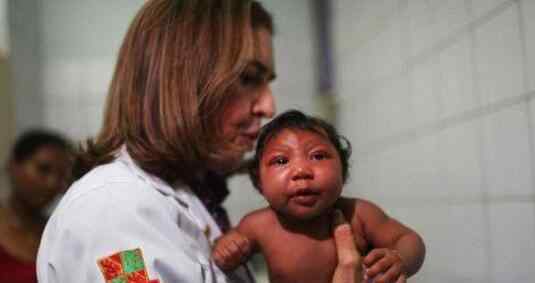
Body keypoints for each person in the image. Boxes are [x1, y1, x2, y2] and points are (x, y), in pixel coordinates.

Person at [37, 1, 368, 283]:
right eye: (248, 78)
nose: (269, 107)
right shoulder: (110, 213)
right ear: (181, 79)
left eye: (266, 82)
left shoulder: (186, 198)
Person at [212, 110, 426, 283]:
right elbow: (225, 252)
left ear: (343, 171)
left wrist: (400, 259)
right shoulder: (258, 225)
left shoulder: (359, 214)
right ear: (259, 181)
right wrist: (226, 249)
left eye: (318, 156)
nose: (301, 171)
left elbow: (409, 239)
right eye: (281, 161)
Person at [0, 130, 72, 283]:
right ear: (13, 165)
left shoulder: (60, 234)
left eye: (62, 175)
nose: (52, 183)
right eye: (43, 169)